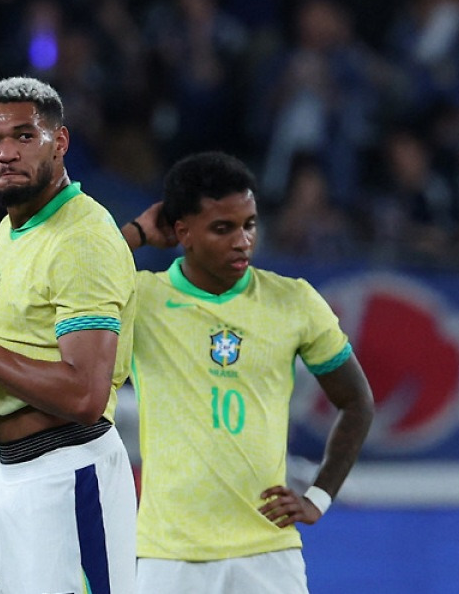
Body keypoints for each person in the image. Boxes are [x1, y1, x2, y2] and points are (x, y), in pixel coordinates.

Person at [119, 151, 375, 593]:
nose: (243, 241)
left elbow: (357, 402)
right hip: (169, 555)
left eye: (250, 224)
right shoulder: (141, 299)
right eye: (223, 228)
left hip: (268, 554)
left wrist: (319, 496)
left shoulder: (293, 301)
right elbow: (65, 280)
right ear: (183, 232)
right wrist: (136, 233)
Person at [0, 76, 138, 594]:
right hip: (6, 481)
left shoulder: (82, 239)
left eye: (24, 136)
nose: (6, 152)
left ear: (59, 142)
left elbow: (86, 395)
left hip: (69, 480)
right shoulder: (13, 228)